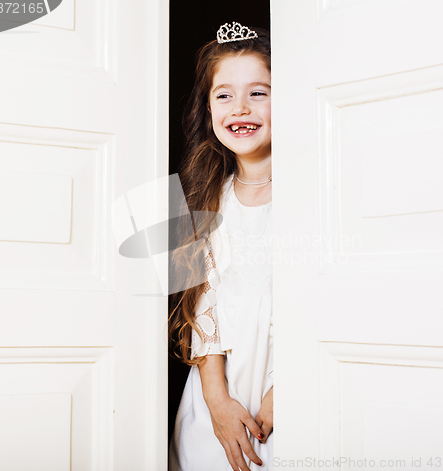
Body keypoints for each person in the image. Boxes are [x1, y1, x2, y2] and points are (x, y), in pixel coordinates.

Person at [168, 21, 273, 471]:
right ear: (208, 108)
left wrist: (285, 393)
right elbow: (202, 301)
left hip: (284, 380)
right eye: (224, 94)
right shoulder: (207, 194)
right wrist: (215, 397)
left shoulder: (313, 195)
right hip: (219, 388)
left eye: (260, 92)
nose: (240, 107)